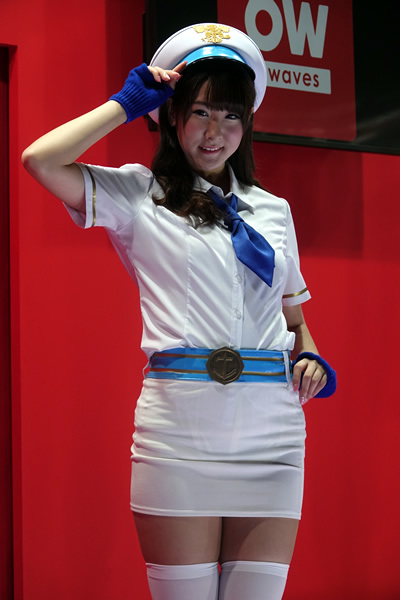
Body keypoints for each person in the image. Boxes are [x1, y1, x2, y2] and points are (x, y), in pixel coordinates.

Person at [22, 22, 336, 600]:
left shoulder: (273, 210)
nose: (216, 132)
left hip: (274, 432)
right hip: (179, 431)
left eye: (231, 115)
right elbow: (39, 159)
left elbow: (292, 314)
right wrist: (124, 106)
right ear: (172, 115)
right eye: (200, 112)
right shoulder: (137, 194)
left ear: (247, 122)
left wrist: (310, 353)